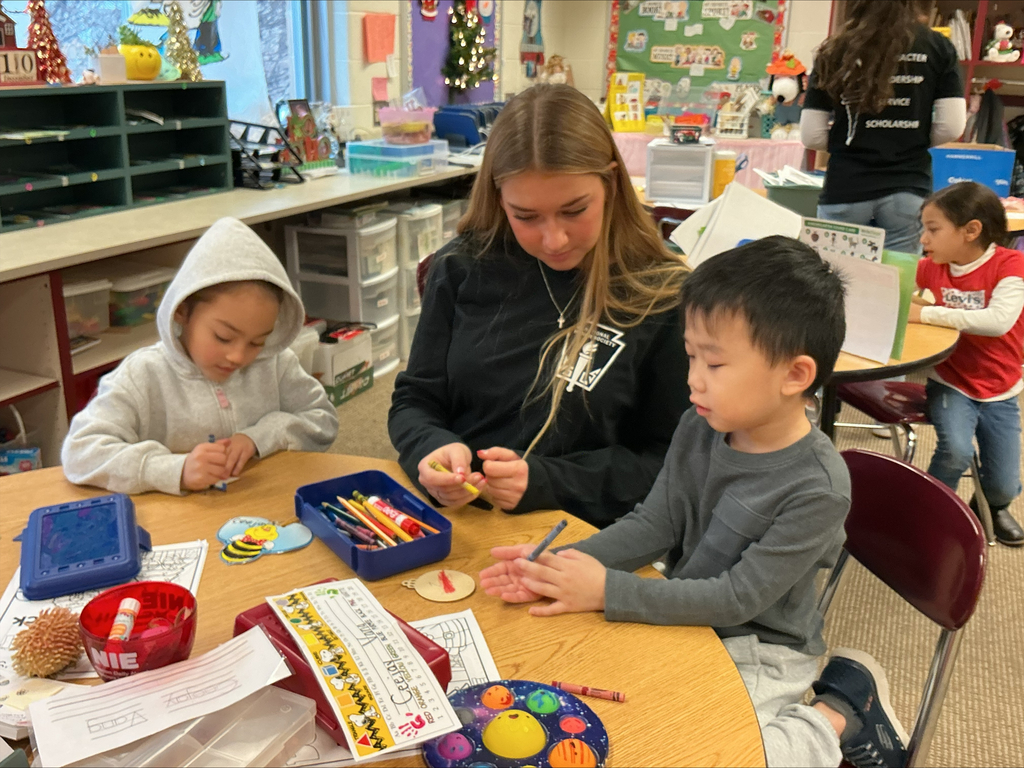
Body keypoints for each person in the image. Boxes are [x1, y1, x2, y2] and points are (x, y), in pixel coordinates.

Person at [480, 238, 909, 768]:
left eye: (716, 363)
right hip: (686, 613)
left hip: (762, 648)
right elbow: (654, 521)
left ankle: (839, 711)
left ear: (795, 375)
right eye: (691, 355)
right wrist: (570, 564)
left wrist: (607, 589)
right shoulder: (700, 423)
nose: (692, 379)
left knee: (718, 756)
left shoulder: (818, 486)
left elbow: (736, 600)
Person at [388, 84, 690, 528]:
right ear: (498, 197)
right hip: (461, 523)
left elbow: (672, 460)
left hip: (587, 541)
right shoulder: (461, 267)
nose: (554, 240)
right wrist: (429, 447)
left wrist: (547, 481)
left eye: (574, 210)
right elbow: (416, 398)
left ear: (610, 182)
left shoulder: (661, 294)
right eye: (525, 216)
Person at [62, 217, 338, 494]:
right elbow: (80, 452)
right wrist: (174, 469)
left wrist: (259, 437)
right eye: (223, 337)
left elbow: (323, 420)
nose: (239, 356)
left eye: (257, 341)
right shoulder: (142, 375)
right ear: (181, 310)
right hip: (179, 524)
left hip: (261, 511)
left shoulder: (275, 363)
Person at [800, 0, 966, 254]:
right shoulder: (938, 46)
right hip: (907, 187)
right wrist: (910, 137)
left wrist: (850, 140)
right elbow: (952, 126)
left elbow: (811, 135)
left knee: (832, 282)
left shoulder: (834, 49)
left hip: (846, 186)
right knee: (895, 284)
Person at [912, 182, 1024, 546]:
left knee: (1004, 483)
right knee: (955, 450)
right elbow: (897, 296)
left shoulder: (1012, 265)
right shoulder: (930, 267)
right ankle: (929, 509)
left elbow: (998, 321)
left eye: (933, 229)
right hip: (951, 382)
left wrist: (926, 313)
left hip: (1001, 387)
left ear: (971, 230)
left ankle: (991, 507)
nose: (923, 238)